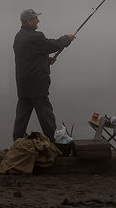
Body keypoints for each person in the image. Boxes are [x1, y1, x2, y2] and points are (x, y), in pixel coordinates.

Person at [12, 8, 75, 143]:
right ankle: (54, 142)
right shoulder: (36, 36)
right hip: (37, 84)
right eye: (36, 19)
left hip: (23, 84)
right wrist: (66, 38)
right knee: (46, 116)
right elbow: (53, 45)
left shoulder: (19, 36)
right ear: (29, 21)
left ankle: (17, 142)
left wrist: (46, 61)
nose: (38, 21)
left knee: (22, 116)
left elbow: (27, 57)